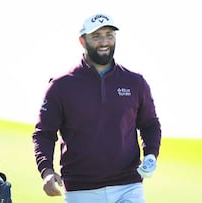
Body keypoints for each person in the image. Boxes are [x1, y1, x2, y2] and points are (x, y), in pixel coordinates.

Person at [32, 13, 161, 203]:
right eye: (96, 36)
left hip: (128, 186)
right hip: (81, 190)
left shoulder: (135, 82)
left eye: (109, 35)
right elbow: (44, 133)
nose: (104, 42)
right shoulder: (61, 86)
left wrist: (151, 154)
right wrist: (47, 171)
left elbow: (150, 124)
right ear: (82, 41)